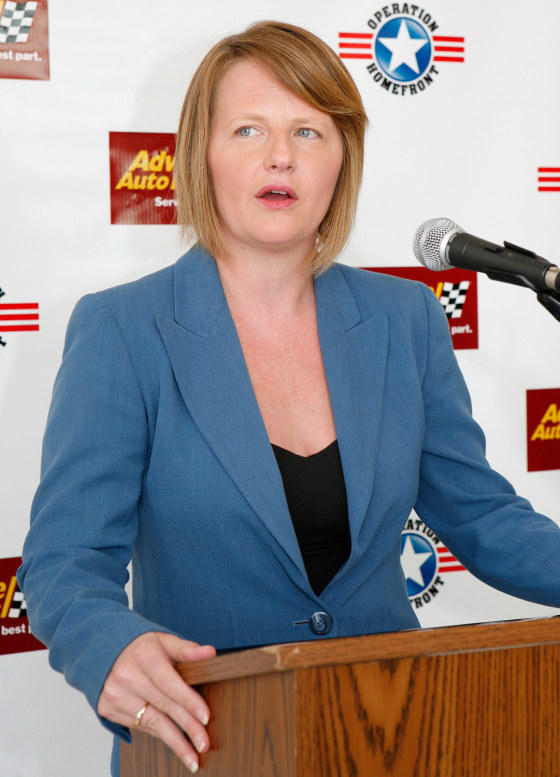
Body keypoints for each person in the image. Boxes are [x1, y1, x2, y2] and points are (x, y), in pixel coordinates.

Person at [18, 19, 560, 777]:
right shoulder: (123, 329)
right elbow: (64, 564)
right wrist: (109, 645)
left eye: (309, 130)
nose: (280, 155)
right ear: (200, 156)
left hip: (392, 730)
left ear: (343, 161)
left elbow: (482, 517)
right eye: (248, 129)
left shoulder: (406, 321)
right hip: (207, 742)